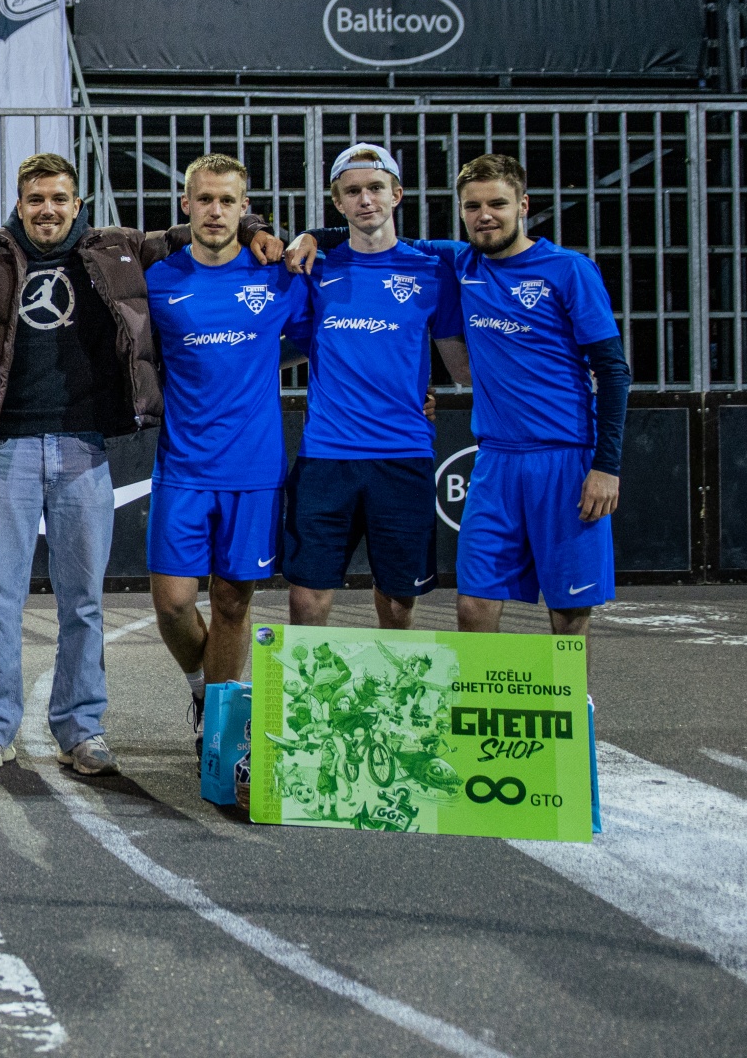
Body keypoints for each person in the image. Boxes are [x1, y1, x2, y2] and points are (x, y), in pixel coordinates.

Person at [0, 153, 277, 777]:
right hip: (4, 449)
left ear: (78, 204)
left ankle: (82, 729)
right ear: (19, 203)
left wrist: (255, 227)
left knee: (83, 602)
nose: (48, 210)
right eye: (36, 199)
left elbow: (197, 230)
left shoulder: (117, 249)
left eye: (59, 199)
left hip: (82, 448)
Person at [286, 153, 628, 637]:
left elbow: (613, 371)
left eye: (497, 204)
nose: (485, 215)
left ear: (523, 205)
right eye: (472, 206)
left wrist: (606, 465)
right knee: (473, 607)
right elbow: (374, 234)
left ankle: (573, 691)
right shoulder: (458, 261)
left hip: (565, 457)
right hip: (494, 458)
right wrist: (311, 236)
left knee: (569, 613)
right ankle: (481, 690)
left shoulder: (569, 269)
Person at [144, 155, 311, 747]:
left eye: (227, 201)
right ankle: (202, 687)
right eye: (204, 199)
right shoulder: (158, 280)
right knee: (172, 605)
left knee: (233, 604)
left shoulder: (279, 278)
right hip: (182, 467)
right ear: (185, 206)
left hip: (254, 470)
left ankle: (217, 736)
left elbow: (325, 339)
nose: (215, 211)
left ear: (245, 209)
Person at [280, 145, 469, 635]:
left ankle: (394, 686)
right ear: (337, 202)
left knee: (400, 601)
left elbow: (463, 368)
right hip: (326, 457)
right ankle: (310, 689)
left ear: (396, 194)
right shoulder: (315, 269)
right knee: (306, 598)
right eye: (353, 191)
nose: (365, 199)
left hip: (403, 455)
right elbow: (293, 346)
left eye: (375, 188)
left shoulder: (432, 270)